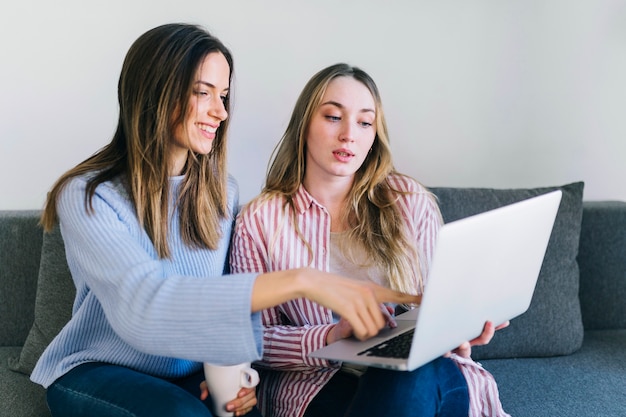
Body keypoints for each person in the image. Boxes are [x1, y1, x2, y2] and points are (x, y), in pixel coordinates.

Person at [30, 25, 420, 417]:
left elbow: (223, 307)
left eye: (224, 95)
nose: (221, 111)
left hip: (188, 374)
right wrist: (305, 280)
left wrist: (233, 373)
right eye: (203, 92)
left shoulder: (221, 194)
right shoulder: (87, 195)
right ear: (156, 92)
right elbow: (143, 309)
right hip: (98, 371)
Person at [230, 63, 511, 417]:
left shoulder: (410, 202)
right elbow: (254, 342)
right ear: (304, 125)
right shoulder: (259, 221)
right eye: (334, 117)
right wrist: (332, 335)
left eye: (365, 122)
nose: (349, 134)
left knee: (408, 373)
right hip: (318, 386)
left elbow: (436, 305)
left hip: (424, 375)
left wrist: (460, 328)